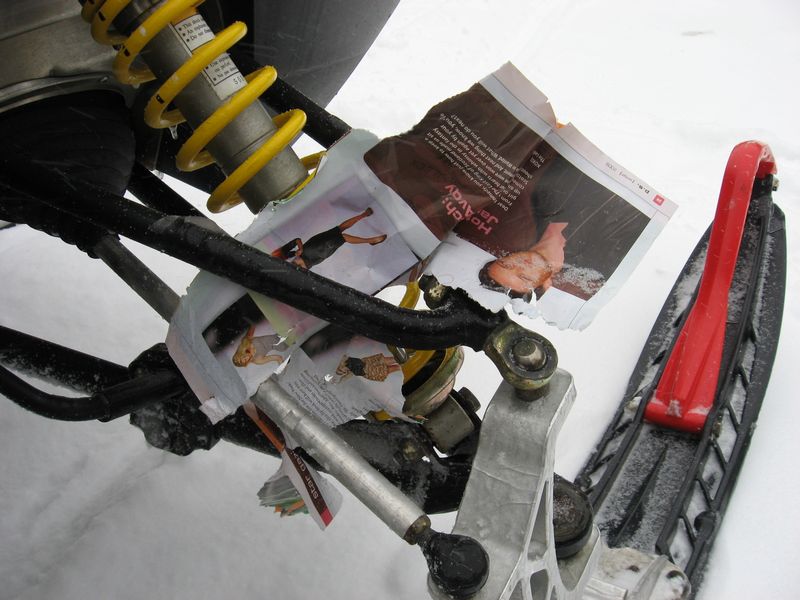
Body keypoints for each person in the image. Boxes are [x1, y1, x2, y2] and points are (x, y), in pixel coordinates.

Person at [272, 207, 387, 269]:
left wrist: (300, 249)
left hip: (312, 243)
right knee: (343, 237)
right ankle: (371, 240)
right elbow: (305, 268)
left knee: (340, 229)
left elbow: (296, 240)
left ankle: (363, 215)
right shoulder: (285, 274)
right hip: (318, 253)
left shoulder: (278, 256)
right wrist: (300, 261)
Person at [479, 222, 567, 299]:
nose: (520, 265)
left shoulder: (525, 224)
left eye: (506, 265)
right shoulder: (574, 263)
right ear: (546, 284)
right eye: (525, 277)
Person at [335, 354, 401, 383]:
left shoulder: (346, 360)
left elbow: (344, 356)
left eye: (340, 370)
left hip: (369, 362)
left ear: (340, 367)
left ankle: (403, 358)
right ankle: (401, 366)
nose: (344, 371)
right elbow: (344, 378)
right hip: (370, 372)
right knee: (388, 370)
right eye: (343, 372)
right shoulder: (351, 372)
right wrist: (339, 381)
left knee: (388, 360)